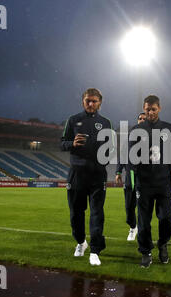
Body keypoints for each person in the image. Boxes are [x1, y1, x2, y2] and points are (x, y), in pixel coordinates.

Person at [61, 88, 114, 266]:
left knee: (97, 213)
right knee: (76, 213)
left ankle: (95, 250)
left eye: (94, 101)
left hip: (97, 175)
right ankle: (81, 242)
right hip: (77, 174)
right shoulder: (73, 120)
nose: (90, 104)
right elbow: (62, 143)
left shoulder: (106, 123)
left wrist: (103, 162)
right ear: (83, 101)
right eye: (87, 101)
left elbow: (110, 148)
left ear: (100, 103)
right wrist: (71, 143)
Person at [129, 95, 171, 268]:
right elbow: (131, 158)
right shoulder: (136, 130)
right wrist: (132, 181)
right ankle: (146, 251)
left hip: (163, 183)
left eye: (153, 109)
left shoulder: (169, 129)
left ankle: (163, 243)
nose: (150, 112)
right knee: (144, 221)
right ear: (144, 108)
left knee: (166, 218)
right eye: (147, 109)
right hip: (144, 183)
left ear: (159, 108)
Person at [115, 112, 146, 241]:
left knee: (143, 206)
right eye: (140, 118)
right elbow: (122, 154)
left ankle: (143, 230)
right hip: (130, 175)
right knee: (129, 206)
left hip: (145, 176)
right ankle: (133, 227)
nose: (142, 120)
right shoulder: (130, 135)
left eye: (144, 118)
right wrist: (118, 171)